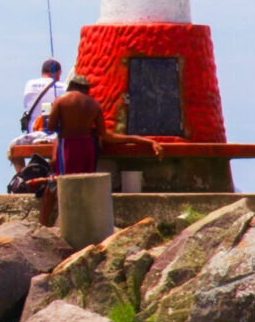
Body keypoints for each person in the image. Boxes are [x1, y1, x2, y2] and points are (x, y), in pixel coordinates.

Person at [39, 74, 164, 225]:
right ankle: (83, 223)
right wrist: (145, 141)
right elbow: (104, 134)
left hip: (68, 147)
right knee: (84, 185)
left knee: (60, 183)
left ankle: (47, 225)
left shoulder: (61, 100)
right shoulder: (94, 105)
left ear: (71, 86)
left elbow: (51, 127)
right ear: (87, 90)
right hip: (87, 148)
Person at [9, 59, 67, 173]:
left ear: (42, 72)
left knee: (12, 151)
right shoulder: (63, 86)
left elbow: (27, 104)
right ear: (59, 73)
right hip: (56, 136)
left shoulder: (30, 84)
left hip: (33, 134)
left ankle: (22, 176)